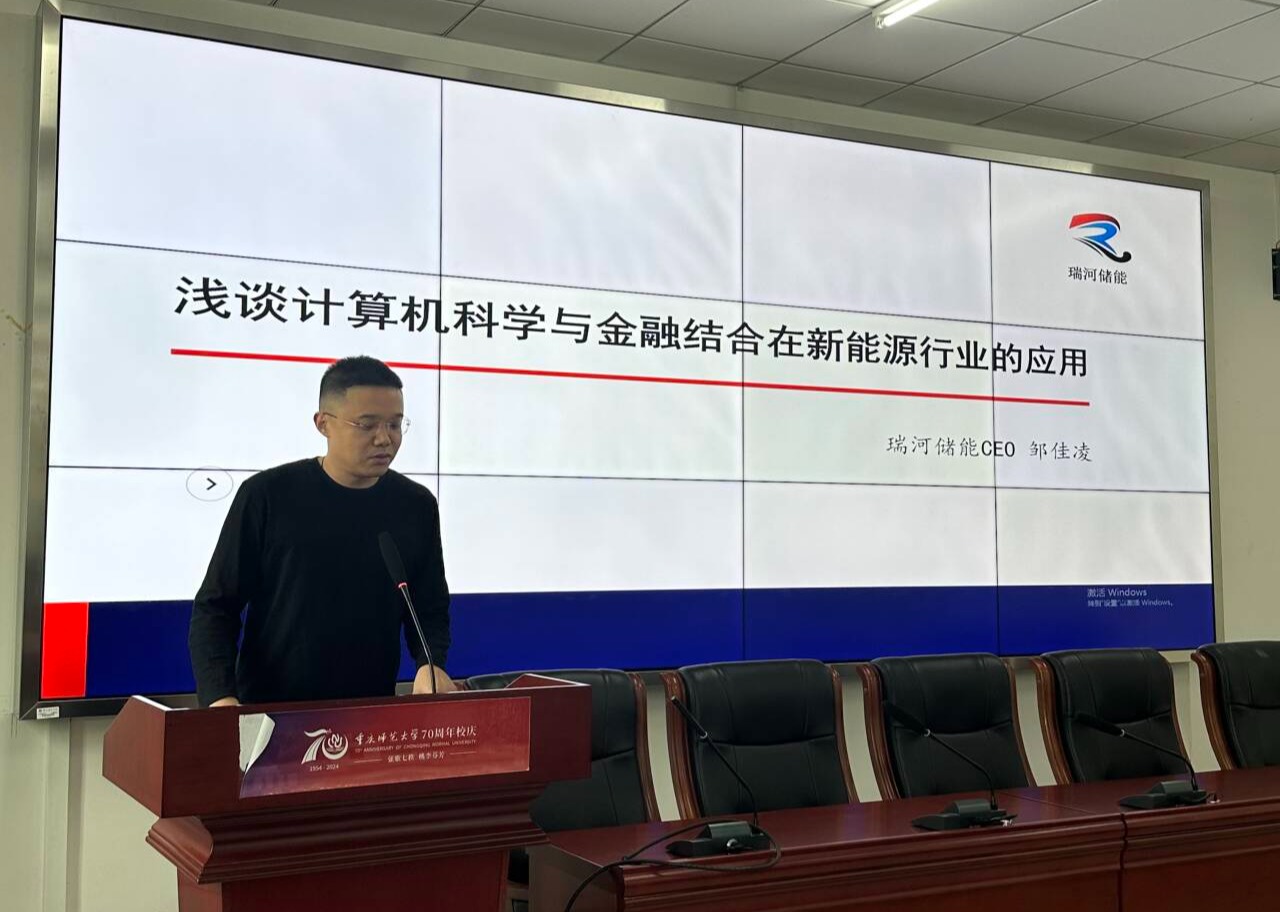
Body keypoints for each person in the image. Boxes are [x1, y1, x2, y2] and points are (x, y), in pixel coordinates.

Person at [188, 355, 453, 706]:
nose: (384, 439)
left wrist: (430, 663)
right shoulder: (268, 496)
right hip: (269, 714)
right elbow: (216, 608)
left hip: (371, 713)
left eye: (394, 424)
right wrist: (220, 697)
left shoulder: (415, 505)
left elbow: (428, 607)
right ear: (323, 423)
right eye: (367, 425)